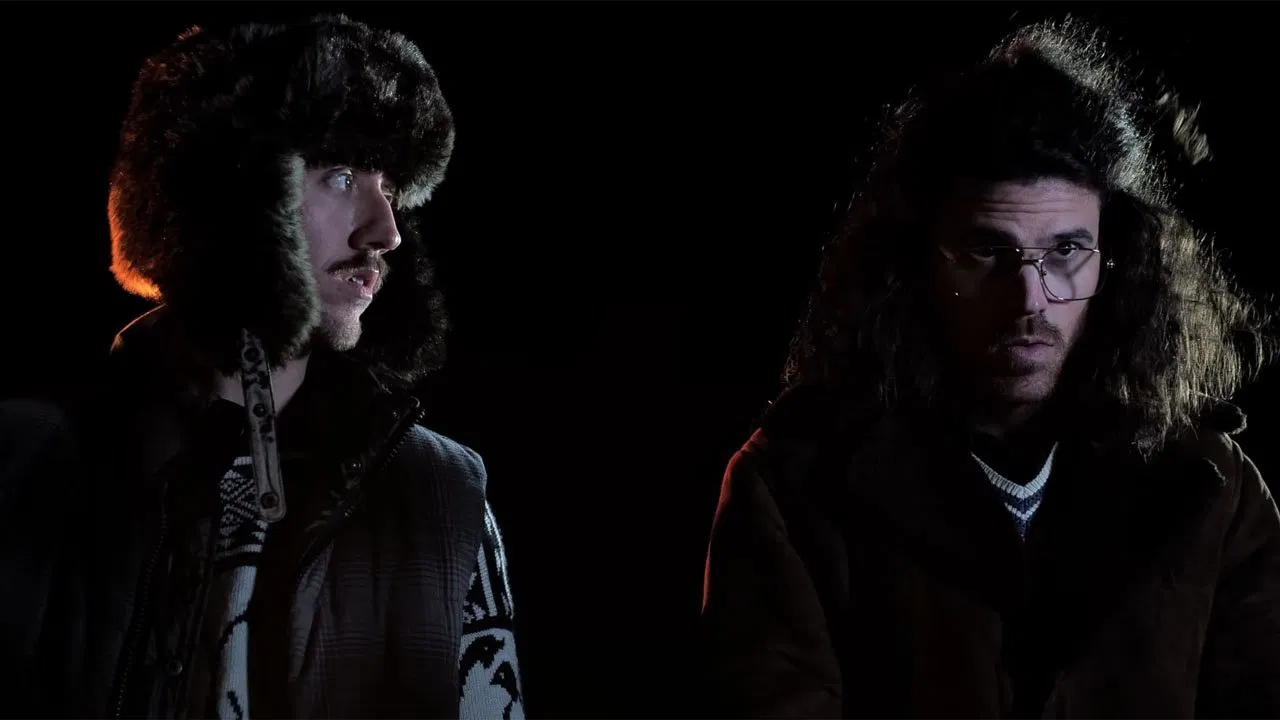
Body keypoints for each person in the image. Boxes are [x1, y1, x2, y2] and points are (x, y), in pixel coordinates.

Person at [699, 19, 1280, 718]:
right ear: (916, 263)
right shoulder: (793, 482)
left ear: (1116, 260)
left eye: (1066, 251)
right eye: (987, 252)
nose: (1029, 298)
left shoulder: (1210, 490)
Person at [0, 14, 524, 719]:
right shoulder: (26, 467)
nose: (386, 231)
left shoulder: (438, 495)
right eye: (342, 176)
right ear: (226, 192)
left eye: (392, 186)